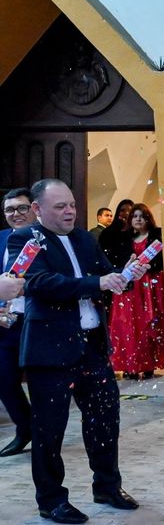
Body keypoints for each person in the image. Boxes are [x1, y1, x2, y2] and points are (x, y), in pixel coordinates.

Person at [8, 179, 147, 524]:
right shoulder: (24, 238)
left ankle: (107, 486)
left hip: (92, 348)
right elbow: (39, 283)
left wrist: (126, 274)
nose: (70, 211)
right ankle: (52, 501)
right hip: (49, 349)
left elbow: (104, 276)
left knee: (105, 421)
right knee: (49, 430)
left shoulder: (85, 238)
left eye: (71, 204)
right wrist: (97, 283)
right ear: (38, 210)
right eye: (60, 207)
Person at [108, 204, 164, 380]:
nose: (138, 219)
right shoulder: (123, 239)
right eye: (135, 216)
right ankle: (129, 365)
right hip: (128, 288)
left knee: (147, 325)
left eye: (142, 216)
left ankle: (148, 364)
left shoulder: (157, 238)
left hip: (149, 288)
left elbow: (162, 263)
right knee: (127, 324)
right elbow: (116, 262)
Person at [0, 187, 34, 458]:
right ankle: (25, 429)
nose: (16, 214)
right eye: (10, 210)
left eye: (22, 208)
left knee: (40, 383)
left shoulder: (47, 239)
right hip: (5, 323)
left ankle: (46, 435)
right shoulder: (1, 239)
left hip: (37, 320)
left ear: (34, 209)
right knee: (4, 380)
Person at [97, 199, 133, 267]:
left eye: (130, 211)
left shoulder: (136, 232)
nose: (126, 213)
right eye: (122, 211)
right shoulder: (107, 233)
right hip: (112, 271)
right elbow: (101, 254)